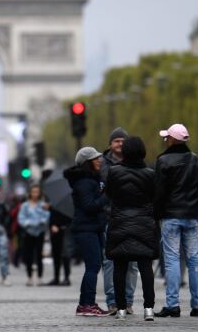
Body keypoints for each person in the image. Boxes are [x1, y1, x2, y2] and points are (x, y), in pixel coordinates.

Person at [153, 124, 198, 318]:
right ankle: (197, 305)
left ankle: (173, 304)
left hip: (171, 215)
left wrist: (157, 213)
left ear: (172, 140)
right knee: (193, 259)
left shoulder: (163, 161)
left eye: (166, 138)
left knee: (171, 260)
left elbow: (159, 192)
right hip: (190, 216)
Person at [104, 136, 158, 321]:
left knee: (120, 266)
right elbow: (155, 197)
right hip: (143, 221)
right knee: (145, 267)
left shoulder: (114, 172)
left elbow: (109, 194)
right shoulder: (151, 174)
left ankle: (120, 309)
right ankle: (149, 308)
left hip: (120, 220)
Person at [66, 146, 110, 317]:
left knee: (93, 266)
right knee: (93, 266)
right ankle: (88, 304)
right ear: (87, 163)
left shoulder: (91, 180)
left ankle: (85, 303)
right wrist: (106, 197)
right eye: (95, 158)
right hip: (86, 228)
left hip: (93, 227)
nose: (99, 160)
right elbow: (89, 206)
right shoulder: (84, 182)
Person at [100, 127, 139, 313]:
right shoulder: (102, 164)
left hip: (132, 216)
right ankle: (113, 301)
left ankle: (128, 301)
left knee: (132, 262)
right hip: (111, 216)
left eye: (123, 140)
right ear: (110, 144)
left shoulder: (136, 162)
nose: (120, 143)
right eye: (117, 140)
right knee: (110, 262)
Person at [18, 184, 50, 286]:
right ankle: (29, 277)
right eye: (33, 192)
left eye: (37, 192)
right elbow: (21, 218)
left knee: (39, 255)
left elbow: (46, 216)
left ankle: (40, 277)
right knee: (29, 255)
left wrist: (42, 221)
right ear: (30, 193)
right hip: (28, 232)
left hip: (39, 232)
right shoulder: (25, 205)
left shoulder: (43, 205)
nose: (35, 194)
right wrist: (29, 223)